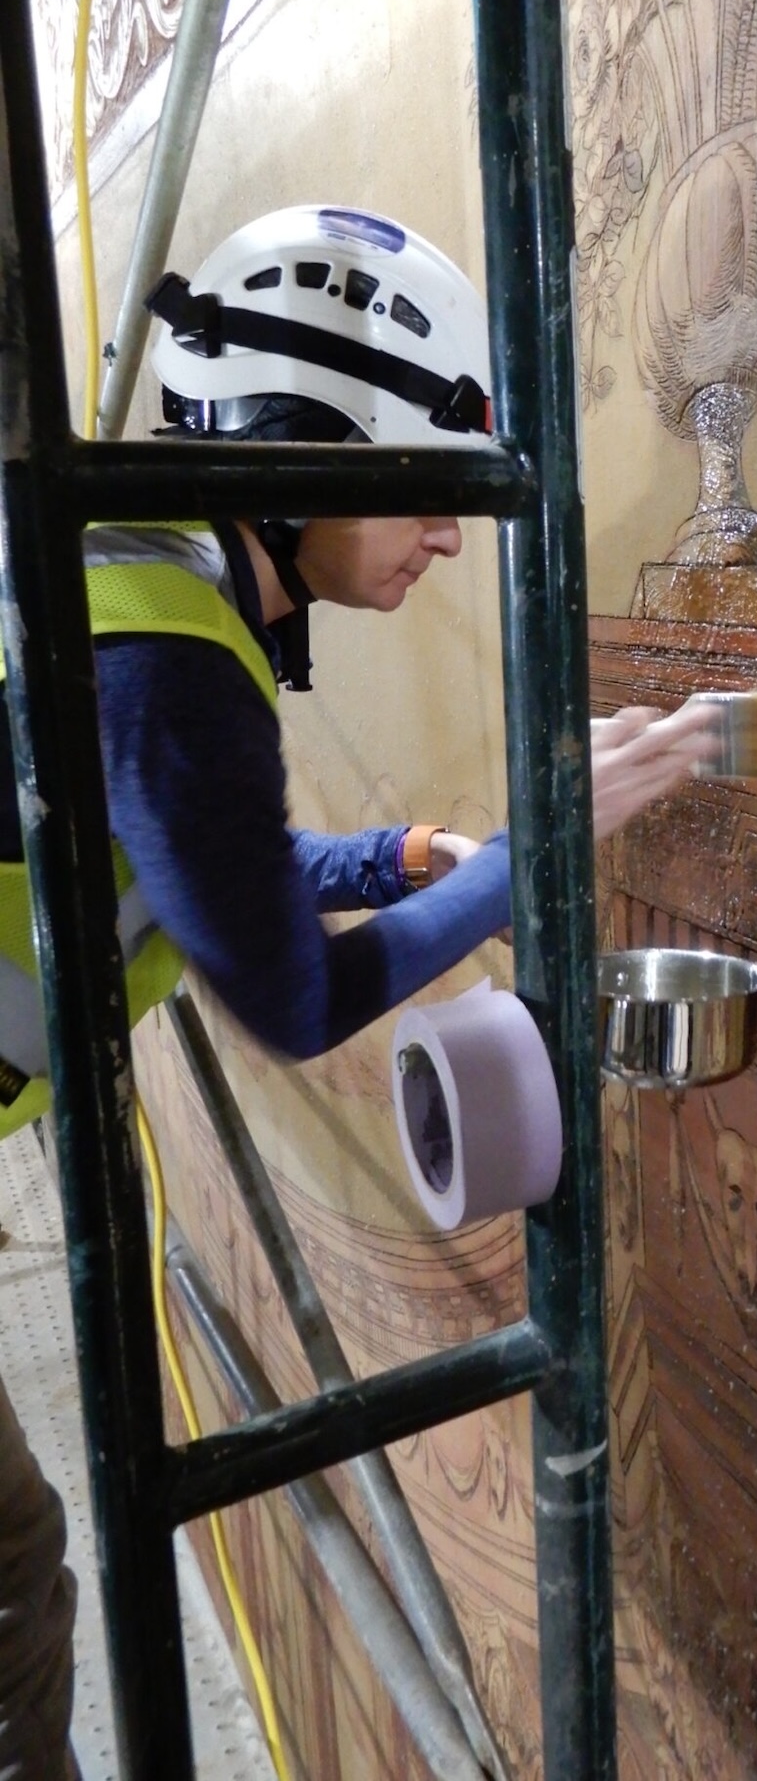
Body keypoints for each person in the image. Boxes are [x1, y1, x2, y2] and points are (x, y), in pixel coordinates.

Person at [0, 205, 714, 1779]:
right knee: (10, 1596)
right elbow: (294, 1005)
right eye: (417, 488)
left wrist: (393, 857)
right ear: (296, 450)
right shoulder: (169, 652)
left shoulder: (134, 573)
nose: (448, 534)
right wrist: (536, 847)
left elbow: (192, 859)